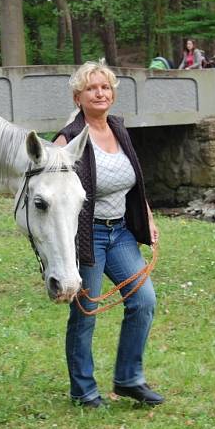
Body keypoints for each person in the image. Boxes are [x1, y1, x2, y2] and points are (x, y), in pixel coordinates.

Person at [53, 60, 163, 409]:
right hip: (88, 236)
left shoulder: (118, 128)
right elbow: (52, 195)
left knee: (143, 300)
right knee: (86, 312)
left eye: (105, 87)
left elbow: (133, 181)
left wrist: (146, 215)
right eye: (92, 88)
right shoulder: (68, 139)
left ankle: (129, 379)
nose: (100, 93)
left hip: (120, 234)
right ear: (78, 97)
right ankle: (83, 391)